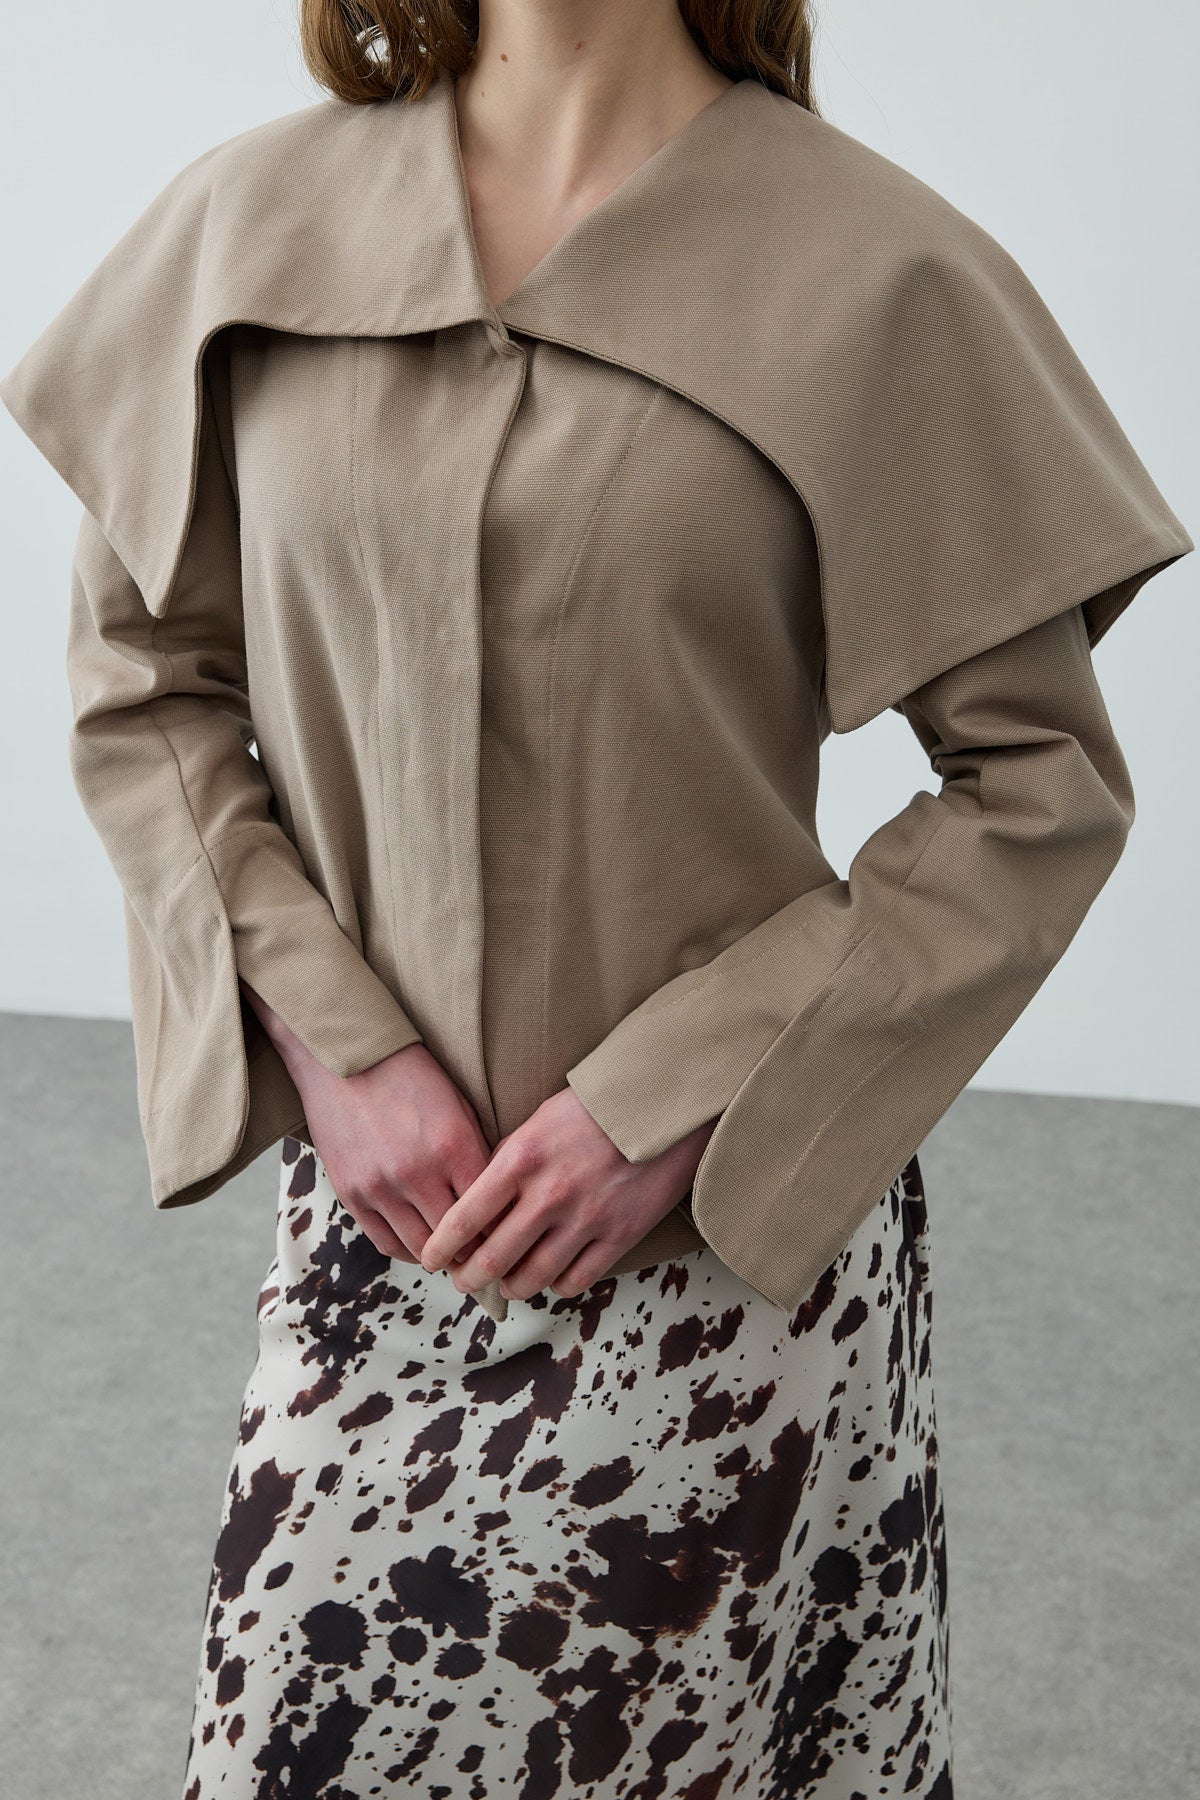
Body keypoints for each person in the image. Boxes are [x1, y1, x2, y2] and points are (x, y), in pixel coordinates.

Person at [2, 2, 1191, 1794]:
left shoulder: (883, 276)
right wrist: (334, 1044)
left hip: (724, 1249)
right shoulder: (248, 229)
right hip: (385, 1230)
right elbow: (147, 685)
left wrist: (677, 1093)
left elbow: (1037, 786)